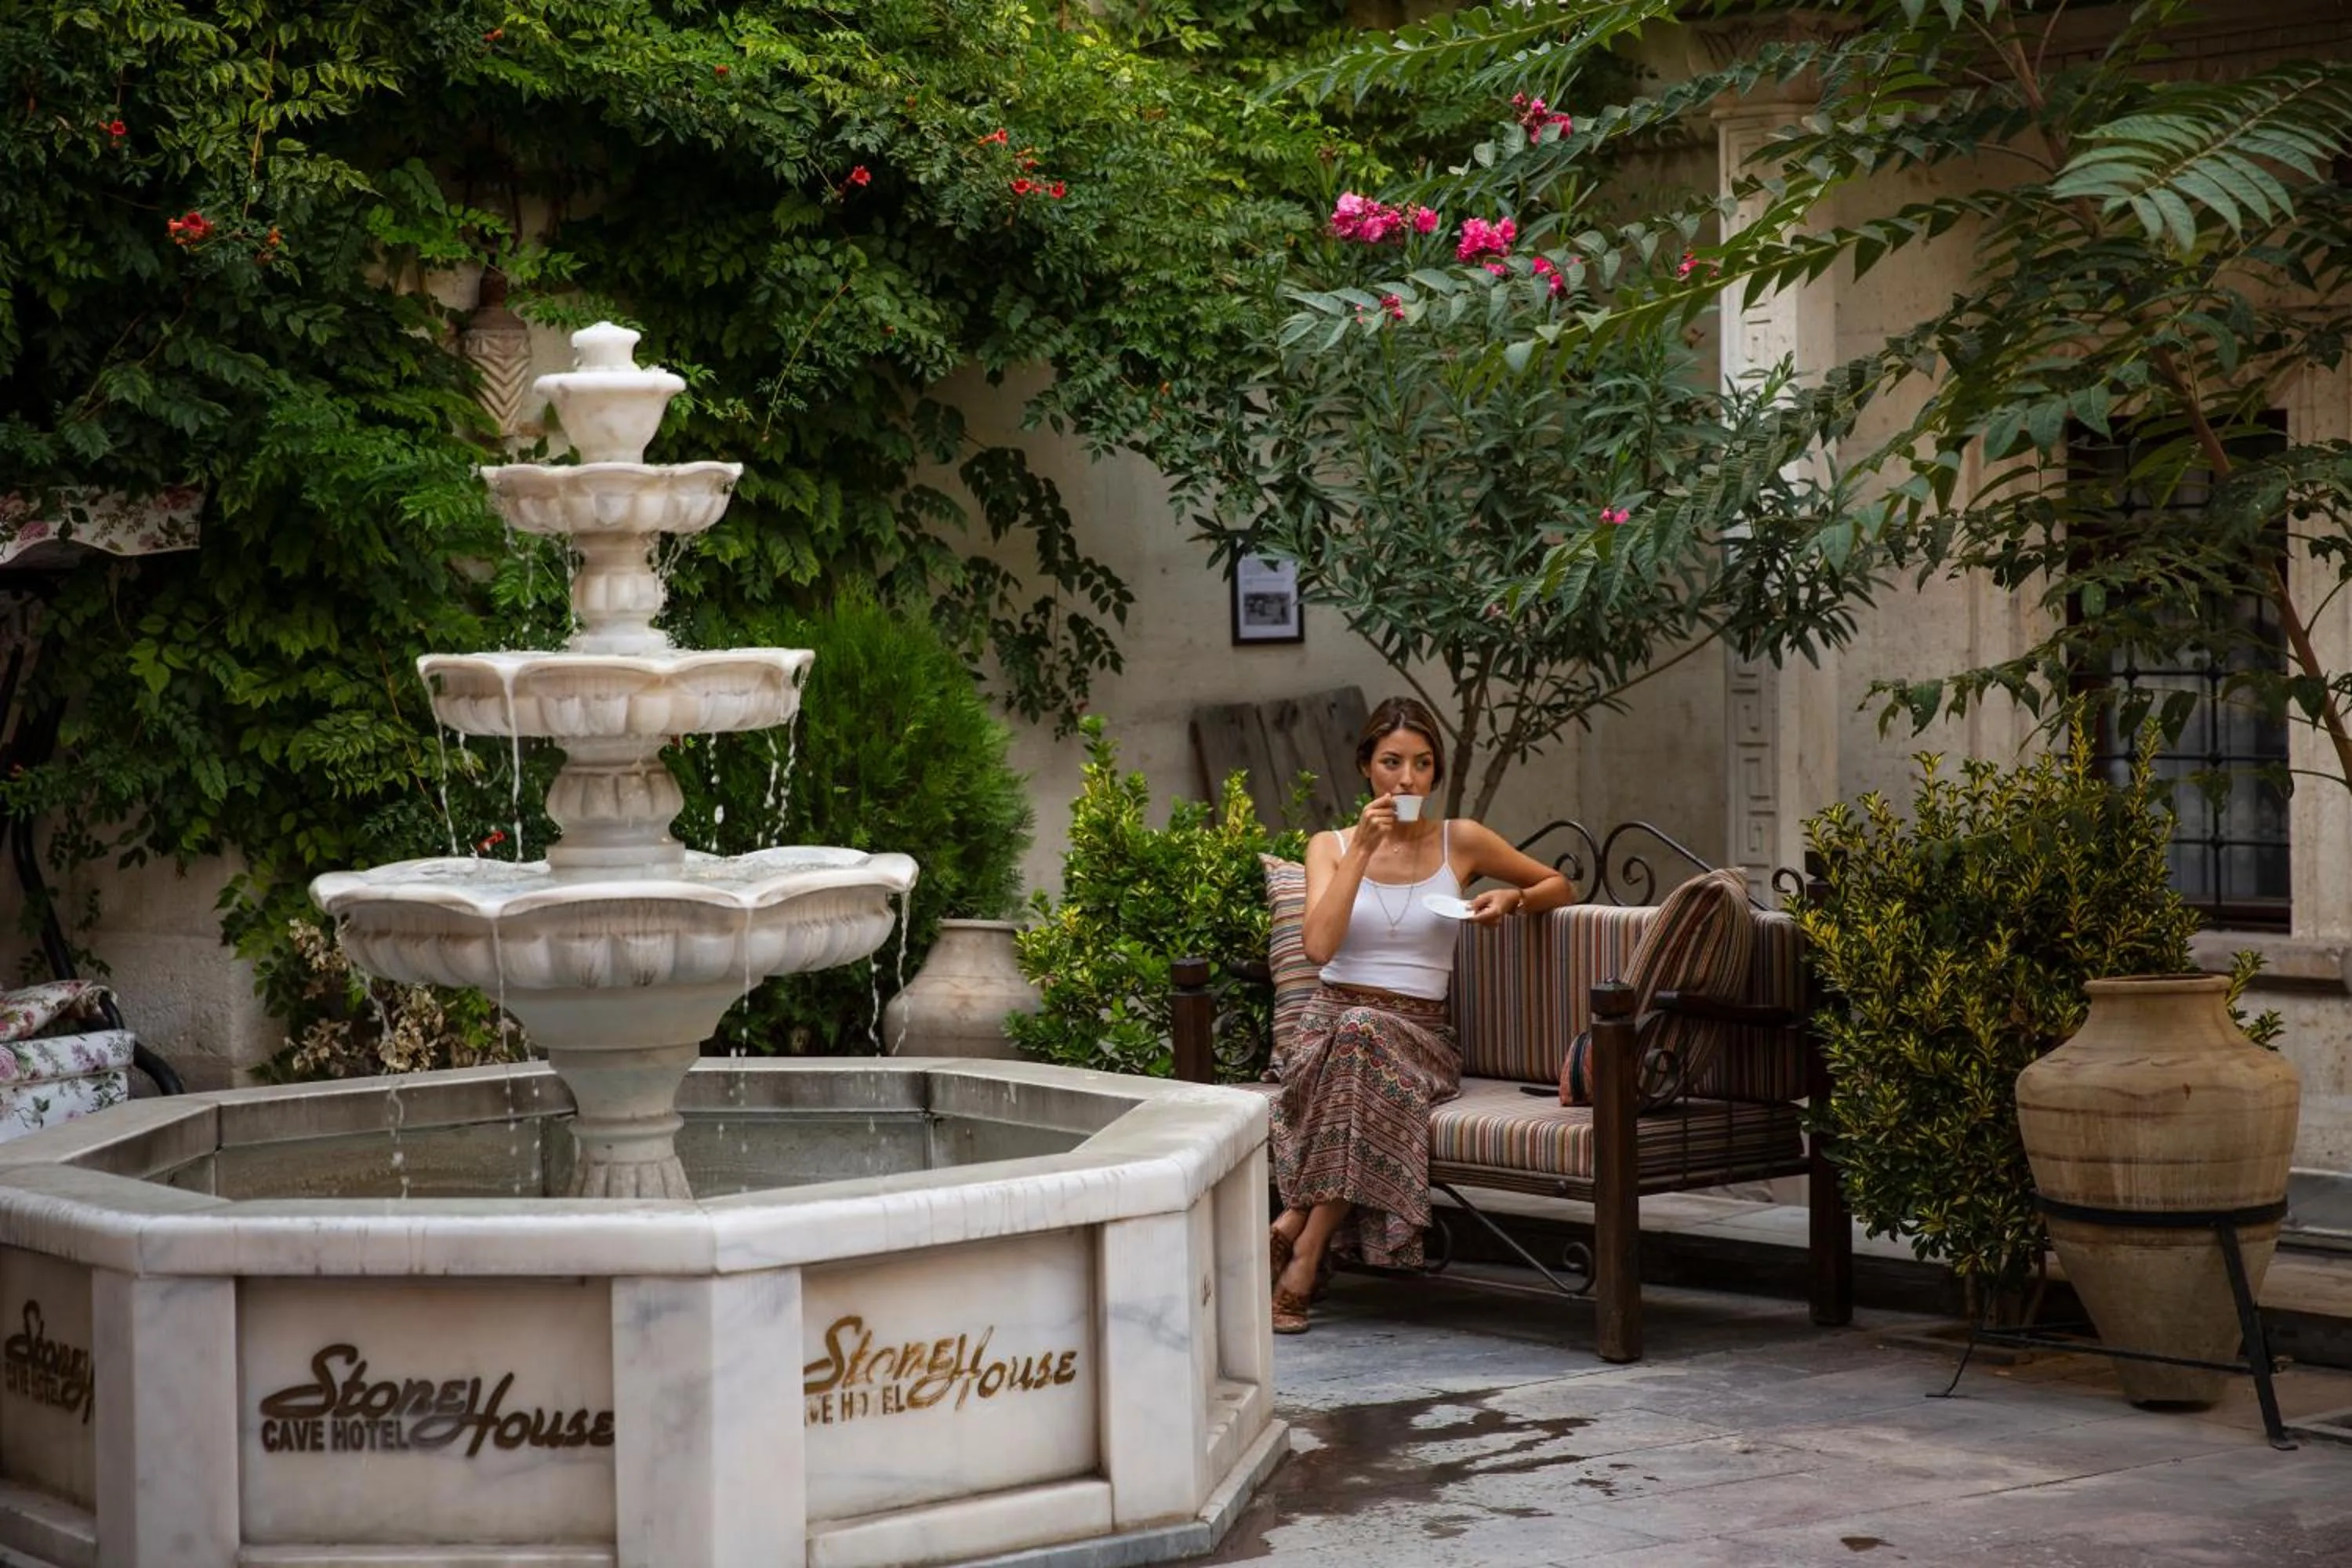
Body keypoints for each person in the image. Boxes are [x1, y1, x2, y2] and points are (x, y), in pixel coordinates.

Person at [1266, 695, 1573, 1334]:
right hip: (1329, 1030)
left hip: (1419, 1038)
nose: (1408, 780)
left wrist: (1511, 899)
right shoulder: (1329, 845)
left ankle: (1300, 1229)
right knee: (1354, 1034)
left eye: (1423, 765)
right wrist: (1360, 853)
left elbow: (1558, 885)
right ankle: (1303, 1253)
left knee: (1365, 1039)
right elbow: (1319, 948)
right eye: (1392, 763)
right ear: (1365, 769)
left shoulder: (1459, 839)